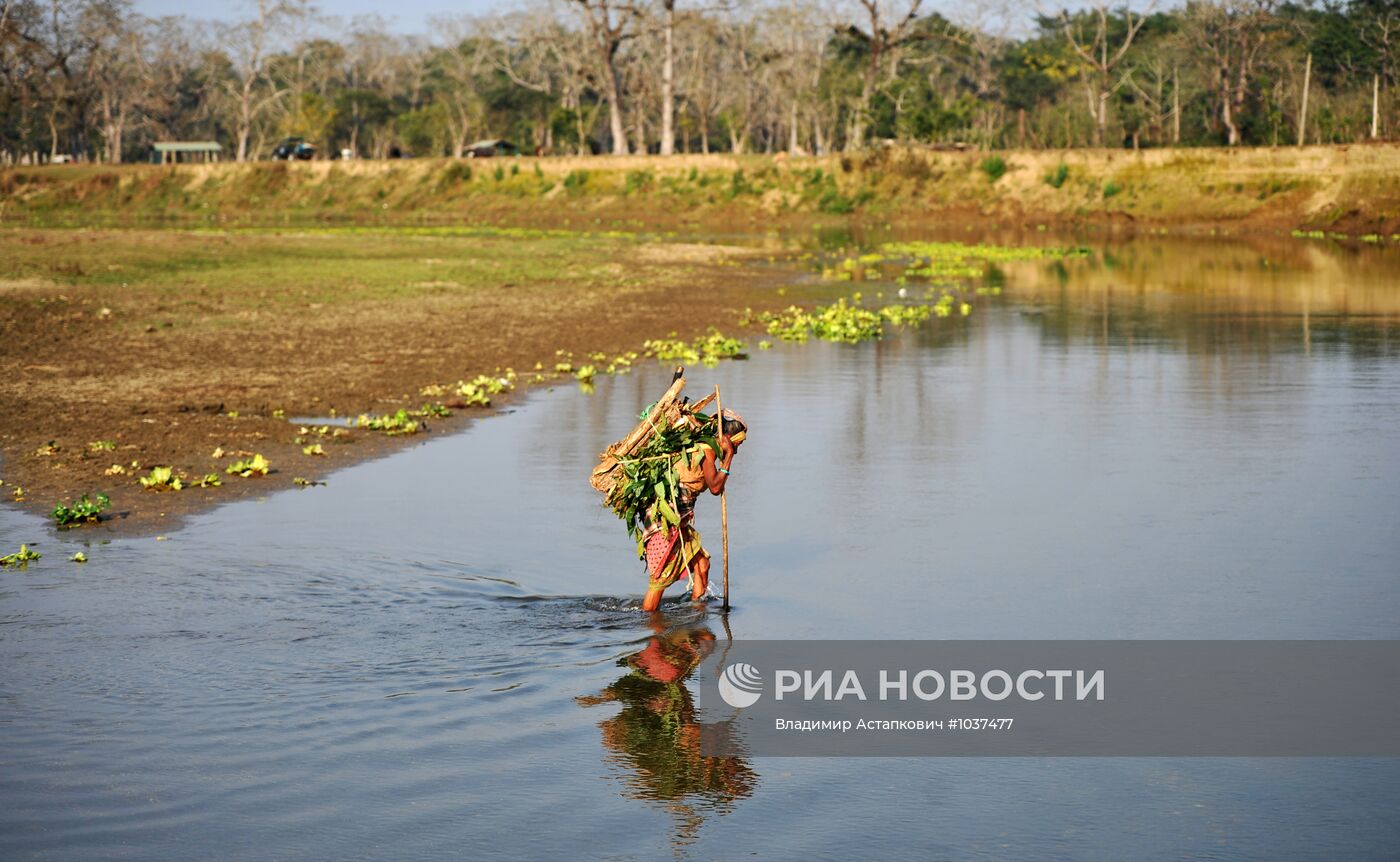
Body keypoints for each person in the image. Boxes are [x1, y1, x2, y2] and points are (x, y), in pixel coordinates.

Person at [639, 409, 746, 612]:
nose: (737, 450)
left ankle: (696, 613)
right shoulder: (706, 451)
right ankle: (649, 624)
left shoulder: (708, 449)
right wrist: (728, 457)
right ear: (726, 439)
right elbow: (715, 487)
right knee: (661, 578)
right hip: (666, 520)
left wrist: (725, 459)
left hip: (680, 520)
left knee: (702, 565)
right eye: (736, 445)